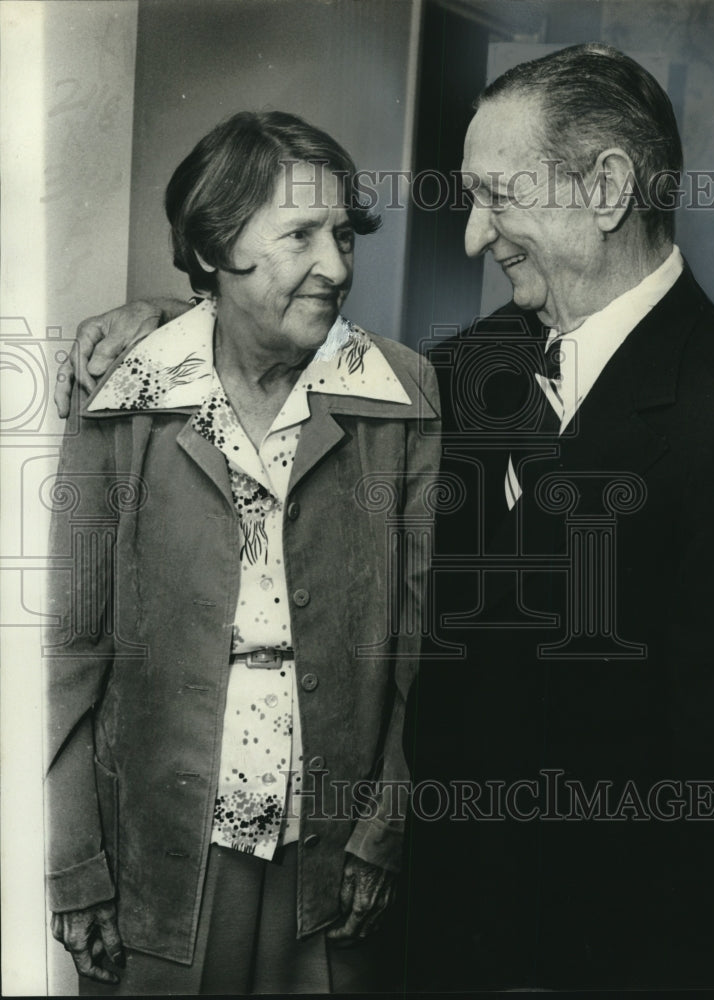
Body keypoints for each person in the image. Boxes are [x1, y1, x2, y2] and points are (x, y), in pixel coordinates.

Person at [56, 45, 714, 991]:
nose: (477, 237)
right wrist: (183, 314)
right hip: (436, 939)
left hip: (615, 956)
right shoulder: (461, 372)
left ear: (606, 190)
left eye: (496, 196)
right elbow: (293, 356)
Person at [46, 110, 440, 995]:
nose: (336, 267)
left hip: (330, 859)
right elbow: (68, 648)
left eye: (342, 235)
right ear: (218, 244)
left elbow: (421, 645)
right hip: (154, 851)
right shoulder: (124, 387)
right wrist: (72, 859)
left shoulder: (402, 391)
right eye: (299, 234)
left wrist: (384, 826)